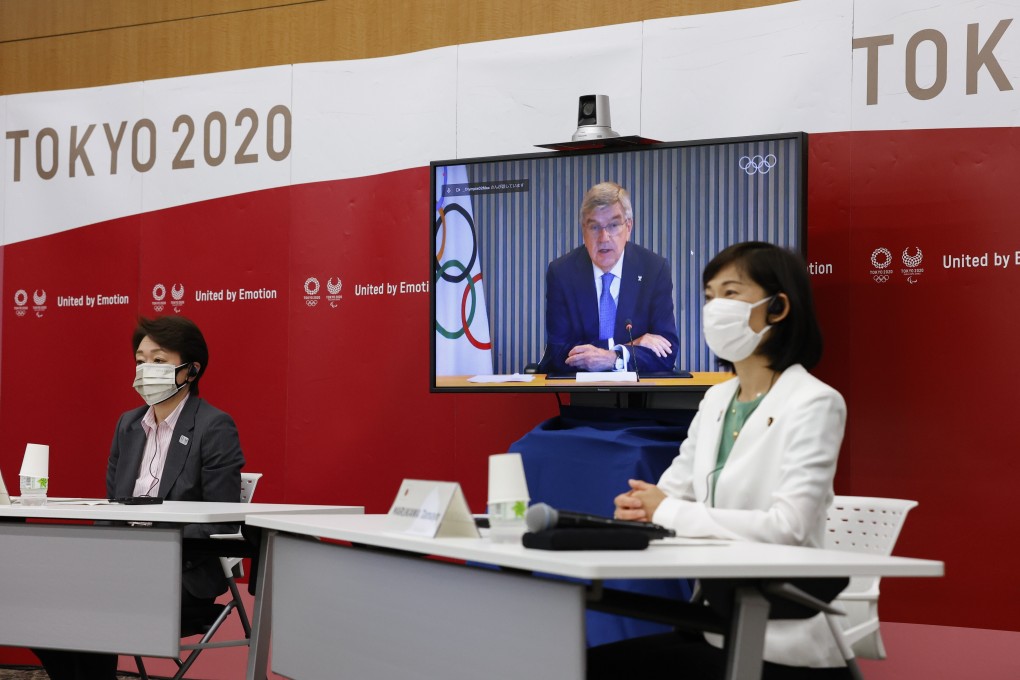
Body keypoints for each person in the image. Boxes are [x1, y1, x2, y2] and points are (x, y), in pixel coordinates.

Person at [593, 242, 849, 679]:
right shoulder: (716, 398)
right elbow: (668, 494)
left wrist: (665, 510)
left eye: (731, 293)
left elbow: (787, 529)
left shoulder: (815, 402)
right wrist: (639, 510)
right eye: (709, 296)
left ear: (778, 308)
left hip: (780, 641)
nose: (714, 308)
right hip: (712, 623)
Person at [34, 316, 245, 680]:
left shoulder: (214, 426)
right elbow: (112, 509)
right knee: (34, 602)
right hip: (121, 566)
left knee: (92, 606)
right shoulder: (128, 425)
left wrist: (151, 551)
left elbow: (221, 521)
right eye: (140, 361)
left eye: (159, 361)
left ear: (191, 370)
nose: (146, 370)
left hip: (183, 572)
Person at [539, 181, 679, 374]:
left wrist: (612, 357)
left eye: (613, 225)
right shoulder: (562, 272)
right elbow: (558, 351)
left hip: (639, 390)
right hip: (576, 387)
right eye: (594, 227)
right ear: (583, 231)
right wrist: (626, 349)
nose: (604, 237)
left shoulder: (654, 269)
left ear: (628, 227)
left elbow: (667, 352)